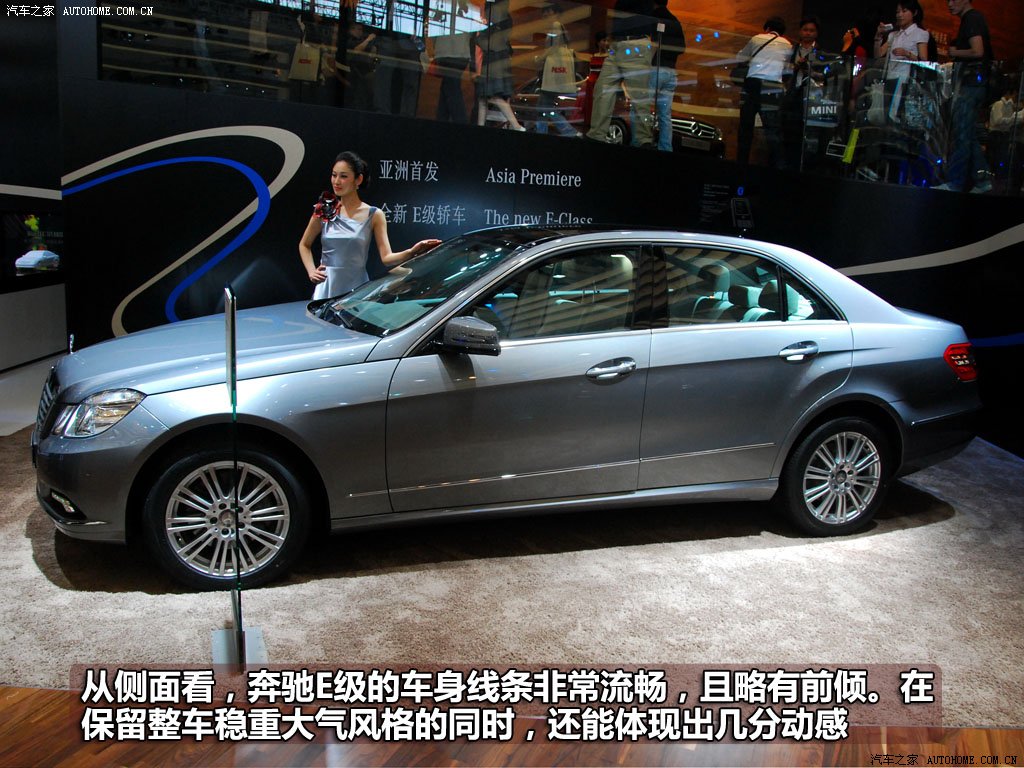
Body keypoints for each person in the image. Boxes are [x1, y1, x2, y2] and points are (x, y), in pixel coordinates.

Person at [299, 152, 441, 299]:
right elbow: (304, 244)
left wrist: (411, 252)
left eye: (343, 176)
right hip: (326, 286)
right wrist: (311, 271)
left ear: (358, 179)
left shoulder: (374, 214)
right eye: (334, 175)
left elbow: (387, 258)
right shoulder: (324, 209)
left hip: (356, 288)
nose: (336, 181)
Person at [936, 0, 993, 193]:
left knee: (962, 133)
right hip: (974, 83)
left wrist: (955, 52)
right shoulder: (972, 18)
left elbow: (978, 50)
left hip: (972, 84)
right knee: (967, 133)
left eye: (953, 0)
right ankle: (982, 180)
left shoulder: (972, 18)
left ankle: (956, 182)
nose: (949, 4)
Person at [586, 0, 656, 146]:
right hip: (618, 44)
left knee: (638, 95)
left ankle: (644, 140)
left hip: (635, 42)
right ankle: (597, 135)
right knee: (602, 89)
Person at [735, 16, 792, 168]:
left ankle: (741, 165)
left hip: (752, 84)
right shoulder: (787, 44)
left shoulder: (757, 38)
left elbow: (740, 57)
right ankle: (778, 167)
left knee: (745, 128)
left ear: (767, 28)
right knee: (773, 130)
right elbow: (786, 68)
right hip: (773, 87)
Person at [472, 0, 525, 130]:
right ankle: (482, 127)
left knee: (492, 96)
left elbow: (487, 42)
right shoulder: (504, 19)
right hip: (497, 59)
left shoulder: (494, 21)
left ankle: (516, 126)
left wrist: (478, 37)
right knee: (484, 98)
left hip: (493, 61)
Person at [642, 0, 685, 151]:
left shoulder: (653, 17)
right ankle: (665, 148)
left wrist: (647, 63)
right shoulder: (675, 21)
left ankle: (643, 142)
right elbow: (682, 48)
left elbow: (653, 43)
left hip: (656, 68)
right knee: (665, 115)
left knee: (643, 107)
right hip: (671, 71)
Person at [535, 6, 582, 138]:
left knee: (544, 107)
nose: (546, 17)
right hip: (556, 74)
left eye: (548, 13)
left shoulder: (556, 25)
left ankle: (568, 131)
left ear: (555, 13)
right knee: (543, 107)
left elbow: (554, 47)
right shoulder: (559, 26)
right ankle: (544, 132)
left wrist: (540, 58)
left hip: (553, 75)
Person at [784, 16, 819, 169]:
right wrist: (795, 67)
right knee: (789, 131)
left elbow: (824, 75)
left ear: (816, 33)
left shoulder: (820, 52)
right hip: (792, 92)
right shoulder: (792, 50)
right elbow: (783, 70)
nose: (808, 33)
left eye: (811, 30)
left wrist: (809, 71)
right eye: (805, 30)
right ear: (800, 31)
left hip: (811, 95)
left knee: (808, 134)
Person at [874, 1, 930, 82]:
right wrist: (878, 37)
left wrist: (906, 53)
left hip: (907, 80)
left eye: (904, 11)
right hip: (890, 78)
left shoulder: (920, 33)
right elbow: (878, 55)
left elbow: (923, 61)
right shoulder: (893, 35)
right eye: (898, 12)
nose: (900, 15)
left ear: (914, 13)